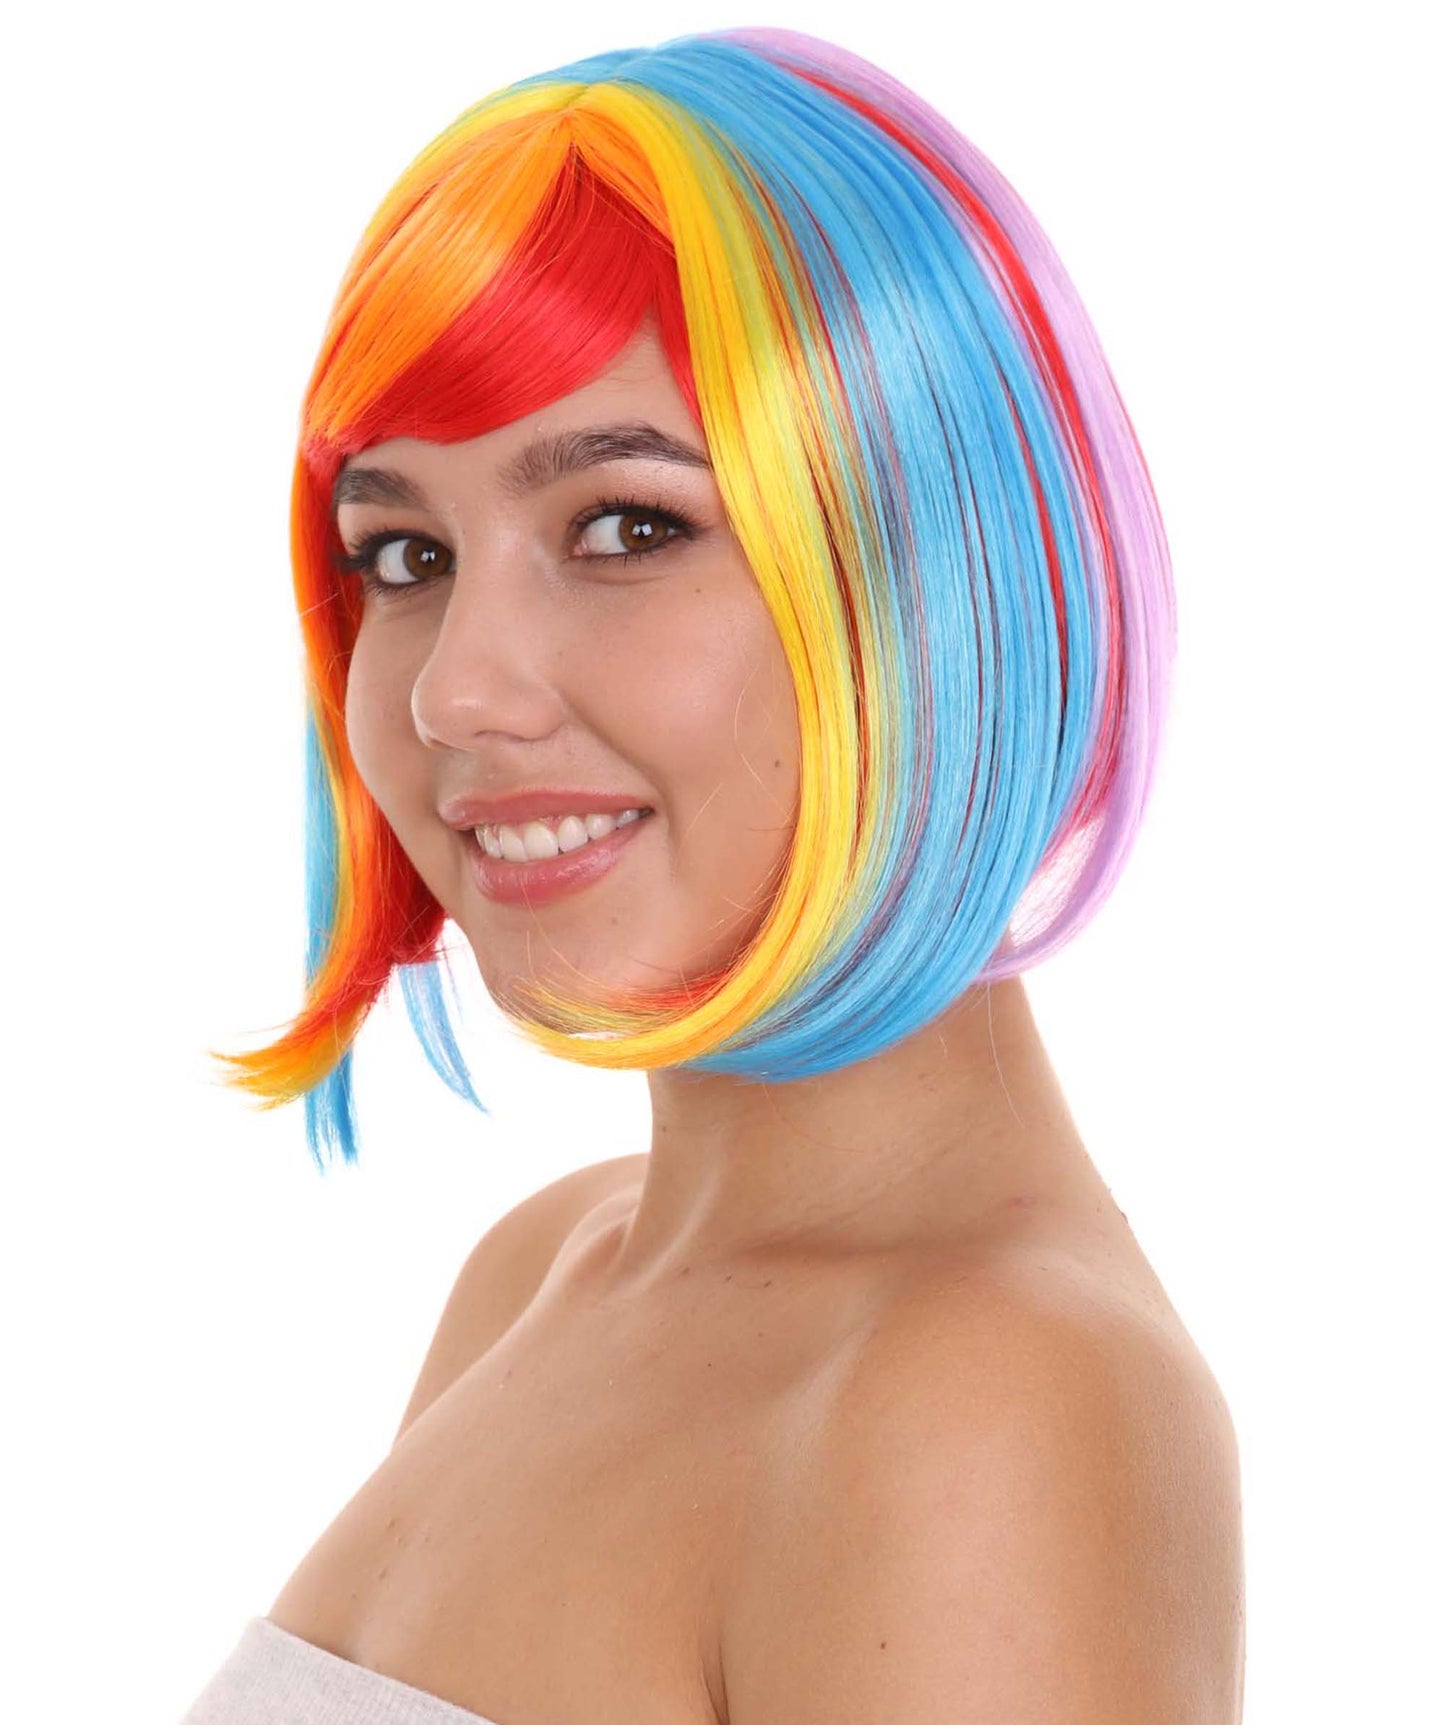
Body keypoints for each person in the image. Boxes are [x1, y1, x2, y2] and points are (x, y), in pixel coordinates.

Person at [189, 24, 1245, 1725]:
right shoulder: (543, 1268)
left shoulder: (980, 1398)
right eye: (404, 552)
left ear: (943, 581)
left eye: (627, 525)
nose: (456, 688)